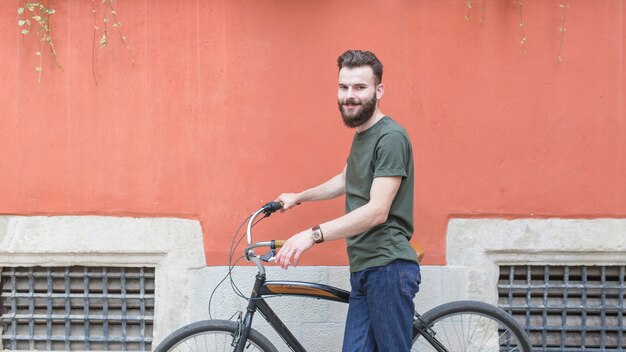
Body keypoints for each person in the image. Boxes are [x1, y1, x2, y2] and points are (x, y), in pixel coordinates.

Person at [274, 49, 421, 352]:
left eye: (359, 87)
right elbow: (345, 181)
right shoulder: (363, 135)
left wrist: (312, 235)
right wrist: (298, 197)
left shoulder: (390, 137)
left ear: (379, 90)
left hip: (387, 267)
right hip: (365, 267)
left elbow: (377, 211)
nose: (349, 95)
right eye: (344, 87)